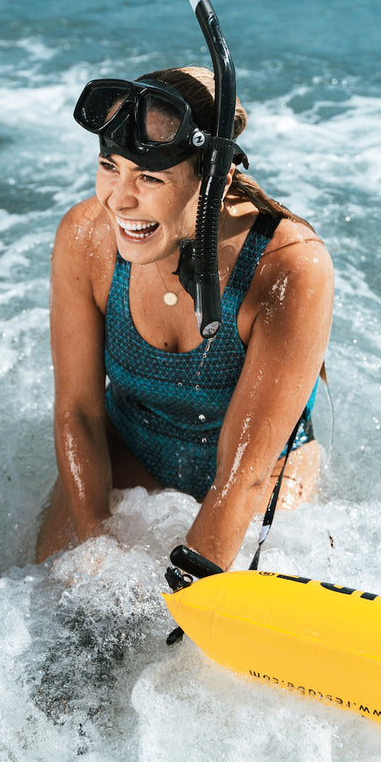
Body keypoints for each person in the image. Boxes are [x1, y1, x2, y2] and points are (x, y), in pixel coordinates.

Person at [35, 66, 333, 572]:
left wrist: (189, 588)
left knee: (203, 644)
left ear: (216, 181)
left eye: (149, 177)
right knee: (51, 600)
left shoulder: (288, 267)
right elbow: (79, 413)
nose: (119, 198)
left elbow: (244, 476)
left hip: (261, 474)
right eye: (111, 167)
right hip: (132, 449)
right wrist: (94, 545)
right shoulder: (86, 237)